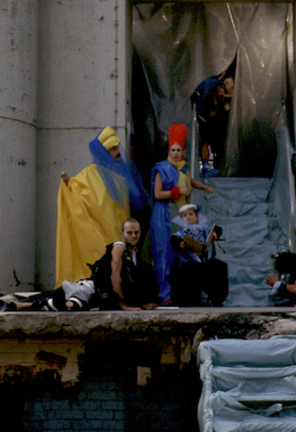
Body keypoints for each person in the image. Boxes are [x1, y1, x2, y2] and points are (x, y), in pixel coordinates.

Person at [56, 126, 149, 286]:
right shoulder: (89, 174)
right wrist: (67, 184)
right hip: (100, 233)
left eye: (117, 148)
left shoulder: (120, 175)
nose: (117, 152)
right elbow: (76, 192)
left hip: (117, 231)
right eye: (113, 149)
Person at [150, 123, 214, 304]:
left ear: (183, 152)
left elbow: (192, 182)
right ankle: (165, 295)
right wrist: (178, 192)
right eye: (173, 150)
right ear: (168, 151)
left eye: (179, 150)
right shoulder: (161, 169)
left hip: (180, 218)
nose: (176, 153)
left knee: (183, 256)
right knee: (165, 255)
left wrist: (205, 187)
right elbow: (157, 194)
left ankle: (181, 293)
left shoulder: (184, 168)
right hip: (165, 216)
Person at [90, 218, 158, 310]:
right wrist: (123, 305)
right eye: (129, 233)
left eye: (136, 232)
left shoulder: (136, 252)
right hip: (102, 293)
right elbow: (115, 276)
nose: (134, 236)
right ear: (122, 234)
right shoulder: (119, 247)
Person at [168, 204, 228, 307]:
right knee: (187, 272)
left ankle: (217, 299)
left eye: (191, 214)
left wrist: (215, 234)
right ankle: (195, 300)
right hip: (191, 264)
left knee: (220, 266)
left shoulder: (206, 228)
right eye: (185, 215)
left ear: (196, 216)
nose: (188, 217)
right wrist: (180, 244)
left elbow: (218, 229)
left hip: (207, 261)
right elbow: (174, 242)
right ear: (182, 218)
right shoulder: (179, 234)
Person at [191, 64, 234, 175]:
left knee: (205, 142)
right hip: (217, 118)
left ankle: (206, 164)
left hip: (205, 116)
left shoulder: (203, 79)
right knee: (216, 143)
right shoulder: (225, 81)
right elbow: (232, 96)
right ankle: (215, 164)